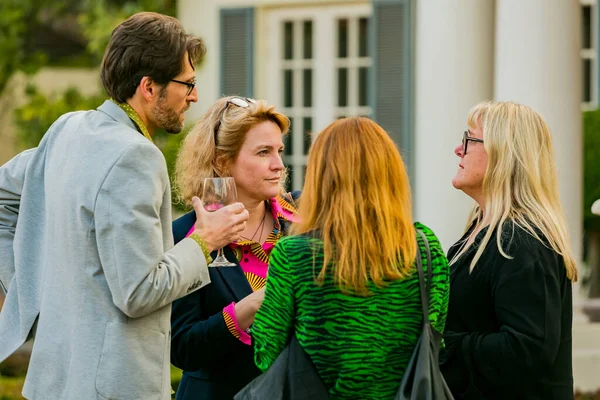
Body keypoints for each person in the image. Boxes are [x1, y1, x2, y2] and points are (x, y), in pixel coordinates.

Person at [0, 12, 249, 400]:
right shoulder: (135, 156)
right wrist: (204, 241)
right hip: (114, 389)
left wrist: (22, 285)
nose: (195, 96)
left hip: (53, 383)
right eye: (188, 83)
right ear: (149, 87)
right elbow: (138, 292)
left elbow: (3, 194)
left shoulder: (69, 128)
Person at [251, 117, 450, 399]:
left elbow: (266, 353)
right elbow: (436, 341)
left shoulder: (294, 254)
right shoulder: (424, 247)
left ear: (321, 177)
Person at [440, 101, 577, 400]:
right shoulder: (484, 232)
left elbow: (526, 350)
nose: (458, 149)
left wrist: (438, 346)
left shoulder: (520, 242)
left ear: (505, 154)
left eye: (469, 139)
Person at [170, 95, 298, 399]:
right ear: (222, 160)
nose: (279, 165)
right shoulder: (184, 235)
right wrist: (248, 308)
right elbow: (182, 348)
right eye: (263, 152)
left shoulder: (305, 220)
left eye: (279, 151)